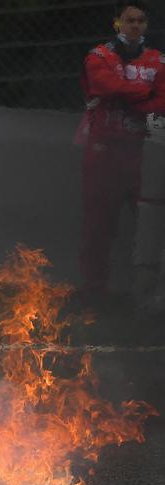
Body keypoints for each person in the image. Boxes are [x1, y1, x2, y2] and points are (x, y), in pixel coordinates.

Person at [78, 1, 165, 305]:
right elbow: (104, 86)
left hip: (142, 155)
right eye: (129, 20)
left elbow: (162, 101)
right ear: (117, 23)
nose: (135, 26)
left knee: (151, 226)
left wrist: (128, 97)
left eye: (141, 21)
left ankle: (147, 298)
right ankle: (93, 295)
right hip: (102, 153)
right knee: (98, 228)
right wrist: (143, 93)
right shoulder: (98, 56)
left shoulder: (158, 60)